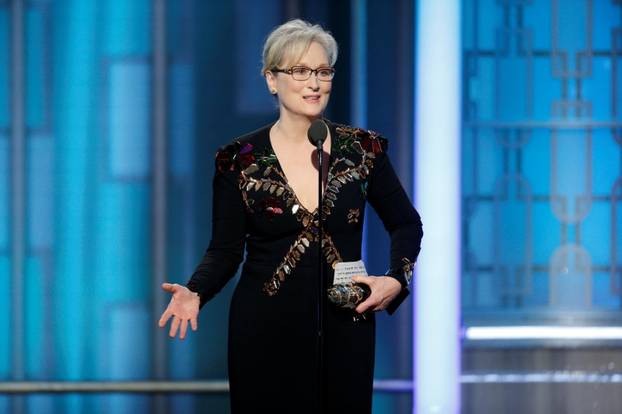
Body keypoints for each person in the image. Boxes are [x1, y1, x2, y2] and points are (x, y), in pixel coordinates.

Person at [158, 19, 423, 413]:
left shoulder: (362, 150)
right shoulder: (239, 161)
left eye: (323, 71)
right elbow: (225, 250)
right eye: (300, 71)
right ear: (271, 79)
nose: (313, 83)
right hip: (264, 328)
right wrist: (197, 290)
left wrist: (395, 280)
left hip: (345, 324)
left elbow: (406, 223)